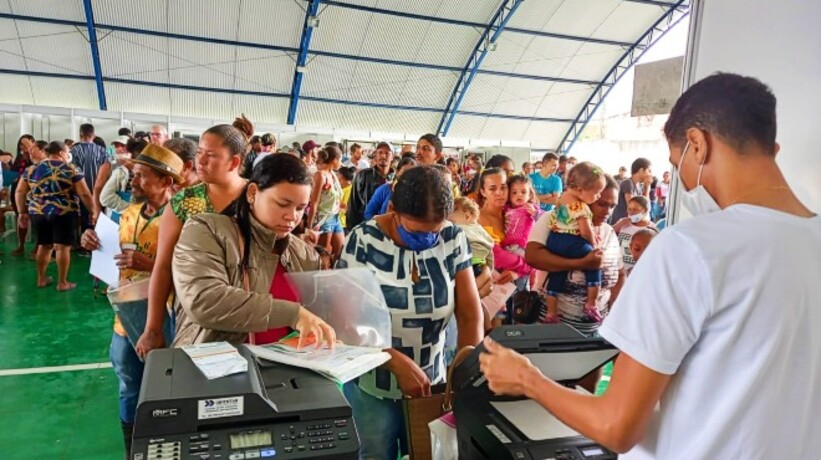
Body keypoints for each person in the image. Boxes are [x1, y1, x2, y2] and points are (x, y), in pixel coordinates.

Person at [480, 73, 820, 459]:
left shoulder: (690, 248)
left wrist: (528, 380)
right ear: (772, 149)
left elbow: (616, 427)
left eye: (676, 163)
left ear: (698, 144)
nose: (684, 181)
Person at [338, 166, 483, 460]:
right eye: (417, 231)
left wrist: (464, 373)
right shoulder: (363, 240)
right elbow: (347, 322)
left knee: (427, 453)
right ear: (393, 209)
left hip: (434, 383)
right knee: (376, 452)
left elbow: (470, 315)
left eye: (435, 230)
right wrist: (393, 361)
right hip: (373, 383)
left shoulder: (453, 239)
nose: (428, 238)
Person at [171, 154, 336, 347]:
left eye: (300, 208)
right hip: (215, 362)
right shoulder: (206, 230)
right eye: (282, 204)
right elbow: (204, 301)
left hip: (285, 364)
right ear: (252, 193)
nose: (292, 216)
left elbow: (314, 318)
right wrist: (292, 314)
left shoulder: (305, 255)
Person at [80, 143, 181, 456]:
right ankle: (133, 449)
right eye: (133, 174)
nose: (133, 181)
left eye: (141, 176)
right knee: (129, 386)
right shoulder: (128, 214)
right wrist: (91, 240)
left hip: (168, 318)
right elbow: (113, 251)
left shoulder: (184, 220)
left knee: (169, 390)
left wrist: (149, 265)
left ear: (166, 182)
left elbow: (192, 274)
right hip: (126, 318)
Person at [135, 125, 248, 357]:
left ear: (234, 162)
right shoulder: (185, 202)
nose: (200, 161)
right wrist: (153, 328)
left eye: (211, 155)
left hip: (248, 307)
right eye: (199, 153)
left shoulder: (256, 197)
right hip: (194, 311)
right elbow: (164, 265)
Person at [526, 174, 625, 335]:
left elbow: (620, 274)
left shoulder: (608, 232)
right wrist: (582, 263)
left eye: (612, 206)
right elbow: (533, 257)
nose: (607, 211)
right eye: (601, 204)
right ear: (585, 198)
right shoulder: (557, 219)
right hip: (554, 330)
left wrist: (615, 314)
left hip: (596, 332)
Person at [16, 141, 94, 290]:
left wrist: (22, 212)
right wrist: (93, 211)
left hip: (38, 212)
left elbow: (20, 191)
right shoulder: (71, 169)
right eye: (67, 152)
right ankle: (62, 282)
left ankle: (41, 279)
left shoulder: (31, 169)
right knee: (62, 247)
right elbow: (84, 193)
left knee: (44, 245)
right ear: (61, 153)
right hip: (63, 212)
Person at [543, 162, 607, 323]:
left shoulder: (562, 199)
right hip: (570, 241)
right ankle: (591, 303)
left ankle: (551, 312)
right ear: (580, 189)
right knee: (594, 262)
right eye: (597, 193)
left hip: (554, 240)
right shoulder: (580, 206)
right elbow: (585, 231)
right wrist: (594, 247)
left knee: (557, 273)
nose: (599, 196)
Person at [307, 146, 345, 261]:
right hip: (323, 219)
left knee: (340, 252)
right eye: (340, 160)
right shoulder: (320, 175)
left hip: (336, 217)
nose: (341, 163)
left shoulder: (333, 174)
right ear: (334, 160)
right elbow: (314, 202)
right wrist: (309, 227)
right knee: (324, 256)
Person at [345, 142, 394, 230]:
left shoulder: (396, 178)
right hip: (365, 224)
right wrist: (352, 227)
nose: (383, 156)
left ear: (392, 157)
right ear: (375, 155)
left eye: (387, 153)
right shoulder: (363, 175)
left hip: (389, 227)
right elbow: (353, 203)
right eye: (380, 152)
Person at [71, 123, 108, 231]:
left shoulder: (74, 151)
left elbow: (72, 173)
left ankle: (84, 237)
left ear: (80, 135)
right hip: (100, 193)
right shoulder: (103, 151)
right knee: (99, 220)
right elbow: (107, 172)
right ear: (94, 135)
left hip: (81, 193)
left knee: (84, 221)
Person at [449, 196, 495, 274]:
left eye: (452, 222)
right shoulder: (483, 231)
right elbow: (490, 253)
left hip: (466, 265)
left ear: (467, 216)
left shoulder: (459, 228)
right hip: (480, 266)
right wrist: (490, 270)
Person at [612, 195, 657, 273]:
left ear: (645, 211)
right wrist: (618, 225)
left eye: (635, 210)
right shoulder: (623, 223)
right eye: (629, 209)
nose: (631, 212)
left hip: (639, 270)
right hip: (620, 268)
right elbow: (608, 233)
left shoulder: (651, 228)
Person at [502, 174, 542, 259]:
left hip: (524, 247)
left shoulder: (531, 207)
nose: (519, 195)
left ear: (529, 195)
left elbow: (544, 220)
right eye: (514, 192)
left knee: (530, 262)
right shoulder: (505, 208)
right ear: (508, 195)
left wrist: (535, 213)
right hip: (507, 246)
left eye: (523, 192)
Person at [99, 137, 136, 223]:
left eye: (121, 146)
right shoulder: (111, 165)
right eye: (116, 146)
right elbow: (101, 192)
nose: (118, 149)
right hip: (116, 214)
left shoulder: (136, 169)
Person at [10, 134, 35, 255]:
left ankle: (37, 246)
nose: (23, 146)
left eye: (26, 144)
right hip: (18, 191)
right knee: (21, 217)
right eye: (21, 144)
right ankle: (21, 245)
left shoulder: (34, 157)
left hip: (32, 191)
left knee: (36, 219)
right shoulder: (19, 158)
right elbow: (13, 172)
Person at [610, 157, 653, 223]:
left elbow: (645, 206)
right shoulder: (628, 183)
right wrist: (646, 187)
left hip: (630, 223)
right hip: (621, 224)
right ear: (641, 170)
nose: (650, 174)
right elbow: (634, 209)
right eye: (649, 171)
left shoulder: (639, 186)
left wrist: (646, 187)